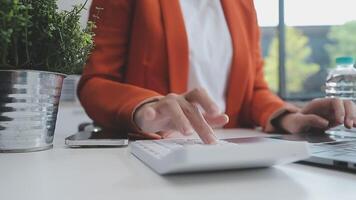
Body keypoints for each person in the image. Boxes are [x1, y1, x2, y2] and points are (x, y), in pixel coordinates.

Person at [78, 0, 356, 144]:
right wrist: (145, 106)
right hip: (153, 154)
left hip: (232, 153)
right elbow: (96, 82)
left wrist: (290, 116)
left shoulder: (242, 5)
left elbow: (254, 90)